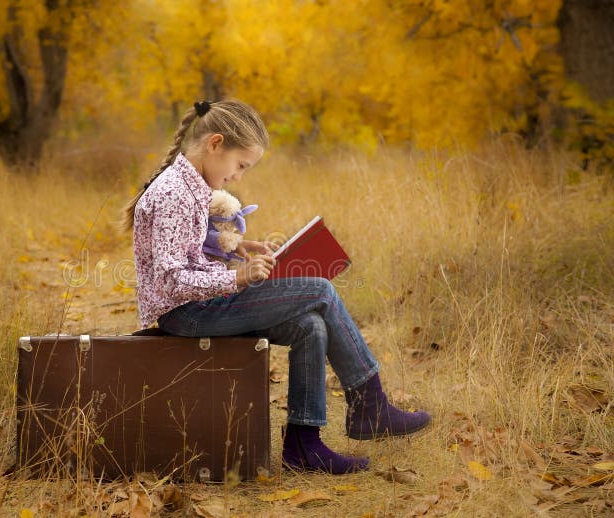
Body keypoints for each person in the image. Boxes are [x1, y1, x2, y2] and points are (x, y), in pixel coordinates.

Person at [122, 99, 431, 475]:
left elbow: (188, 251)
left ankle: (304, 444)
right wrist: (238, 276)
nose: (237, 177)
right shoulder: (174, 192)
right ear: (215, 144)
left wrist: (240, 250)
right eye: (240, 166)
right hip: (186, 315)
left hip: (202, 305)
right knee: (319, 291)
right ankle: (369, 404)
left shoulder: (189, 185)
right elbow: (171, 280)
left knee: (309, 326)